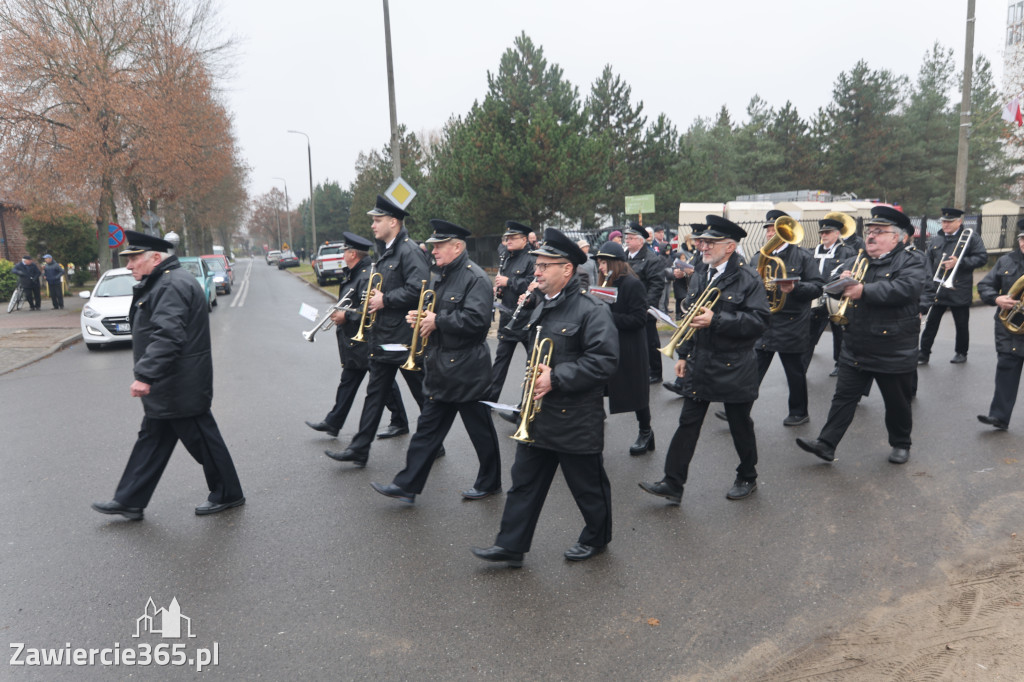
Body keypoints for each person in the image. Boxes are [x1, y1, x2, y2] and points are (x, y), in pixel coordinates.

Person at [471, 228, 618, 567]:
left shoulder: (592, 310)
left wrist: (558, 376)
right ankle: (510, 545)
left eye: (544, 266)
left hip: (576, 417)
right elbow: (516, 337)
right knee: (523, 484)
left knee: (587, 487)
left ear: (567, 269)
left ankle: (597, 538)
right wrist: (523, 305)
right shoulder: (541, 303)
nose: (536, 271)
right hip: (538, 416)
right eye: (536, 266)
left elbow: (605, 361)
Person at [91, 231, 244, 521]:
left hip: (178, 385)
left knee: (204, 442)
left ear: (156, 258)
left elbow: (169, 336)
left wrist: (146, 375)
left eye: (134, 258)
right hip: (171, 385)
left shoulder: (171, 285)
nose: (129, 265)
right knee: (151, 442)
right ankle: (129, 500)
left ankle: (228, 493)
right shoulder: (164, 281)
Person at [639, 215, 770, 505]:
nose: (703, 246)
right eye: (702, 242)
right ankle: (673, 482)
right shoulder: (701, 272)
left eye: (711, 243)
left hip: (734, 364)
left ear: (730, 247)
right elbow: (691, 319)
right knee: (688, 422)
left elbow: (759, 322)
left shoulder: (749, 278)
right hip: (702, 361)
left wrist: (718, 319)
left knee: (739, 425)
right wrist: (683, 353)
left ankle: (747, 475)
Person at [371, 220, 502, 503]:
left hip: (467, 369)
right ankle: (407, 484)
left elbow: (478, 322)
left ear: (457, 246)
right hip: (441, 367)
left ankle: (490, 482)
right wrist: (423, 321)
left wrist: (438, 321)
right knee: (427, 431)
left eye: (439, 246)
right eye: (433, 246)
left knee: (480, 431)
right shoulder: (440, 275)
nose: (434, 251)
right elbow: (435, 314)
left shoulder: (475, 278)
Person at [796, 206, 927, 465]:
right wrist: (840, 280)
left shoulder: (913, 259)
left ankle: (901, 443)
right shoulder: (858, 258)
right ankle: (827, 443)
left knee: (897, 401)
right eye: (870, 231)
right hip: (856, 342)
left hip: (894, 345)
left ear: (899, 237)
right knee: (843, 397)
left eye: (880, 232)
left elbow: (905, 288)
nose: (871, 236)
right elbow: (830, 283)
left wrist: (863, 290)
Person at [325, 195, 431, 466]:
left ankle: (433, 440)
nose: (372, 225)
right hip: (384, 337)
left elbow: (419, 288)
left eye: (378, 220)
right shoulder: (387, 251)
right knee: (375, 393)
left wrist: (385, 299)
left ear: (393, 222)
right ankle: (360, 449)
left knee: (420, 390)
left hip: (402, 339)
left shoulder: (408, 251)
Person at [304, 232, 408, 439]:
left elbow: (368, 307)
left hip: (366, 340)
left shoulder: (366, 275)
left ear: (353, 254)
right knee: (349, 381)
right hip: (353, 342)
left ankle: (399, 421)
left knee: (383, 383)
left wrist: (346, 317)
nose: (342, 254)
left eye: (345, 251)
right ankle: (334, 422)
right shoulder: (354, 273)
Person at [723, 209, 823, 426]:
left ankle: (799, 412)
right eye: (768, 230)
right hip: (764, 322)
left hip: (792, 322)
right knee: (752, 369)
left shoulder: (803, 256)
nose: (770, 234)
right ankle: (739, 407)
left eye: (774, 230)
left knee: (794, 372)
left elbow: (817, 287)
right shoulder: (758, 256)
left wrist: (795, 288)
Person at [593, 241, 653, 455]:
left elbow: (638, 319)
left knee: (636, 393)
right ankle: (593, 425)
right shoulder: (605, 283)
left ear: (614, 263)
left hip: (629, 348)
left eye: (603, 263)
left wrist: (607, 316)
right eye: (599, 263)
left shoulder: (632, 284)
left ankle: (646, 432)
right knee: (596, 386)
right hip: (607, 346)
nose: (600, 268)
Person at [918, 208, 987, 365]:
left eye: (949, 222)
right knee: (931, 324)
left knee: (961, 324)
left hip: (959, 288)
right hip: (938, 288)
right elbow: (928, 260)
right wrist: (928, 282)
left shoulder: (971, 238)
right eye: (943, 221)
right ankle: (923, 353)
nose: (946, 224)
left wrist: (960, 262)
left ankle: (961, 352)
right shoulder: (936, 239)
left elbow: (982, 258)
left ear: (959, 222)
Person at [976, 222, 1024, 431]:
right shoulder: (1006, 260)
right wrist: (997, 299)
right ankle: (998, 417)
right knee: (1006, 371)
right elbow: (984, 286)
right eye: (1023, 239)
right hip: (1010, 329)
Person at [487, 222, 536, 405]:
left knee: (531, 363)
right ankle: (490, 399)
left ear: (524, 240)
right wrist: (500, 290)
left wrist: (509, 282)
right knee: (501, 360)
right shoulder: (506, 257)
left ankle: (527, 403)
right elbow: (506, 285)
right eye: (507, 238)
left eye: (513, 238)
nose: (508, 241)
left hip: (527, 318)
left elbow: (534, 285)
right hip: (508, 317)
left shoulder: (531, 259)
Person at [804, 217, 858, 376]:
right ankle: (802, 366)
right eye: (822, 232)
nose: (823, 235)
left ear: (836, 234)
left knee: (839, 333)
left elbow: (851, 273)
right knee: (809, 333)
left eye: (827, 232)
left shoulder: (847, 251)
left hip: (835, 299)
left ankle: (840, 364)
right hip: (816, 299)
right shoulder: (813, 250)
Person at [622, 223, 666, 384]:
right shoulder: (625, 256)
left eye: (631, 238)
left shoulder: (651, 259)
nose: (627, 241)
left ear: (641, 241)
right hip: (627, 307)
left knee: (649, 340)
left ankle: (655, 371)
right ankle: (635, 369)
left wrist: (646, 306)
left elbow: (656, 285)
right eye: (626, 238)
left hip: (644, 308)